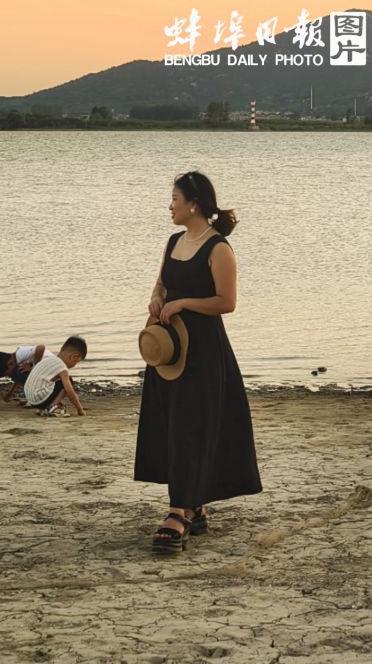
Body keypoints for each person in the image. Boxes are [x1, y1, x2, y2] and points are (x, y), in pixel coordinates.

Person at [134, 170, 261, 552]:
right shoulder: (174, 241)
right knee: (172, 426)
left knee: (192, 427)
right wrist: (157, 299)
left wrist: (185, 303)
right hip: (169, 350)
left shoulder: (218, 248)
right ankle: (195, 505)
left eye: (175, 199)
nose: (170, 206)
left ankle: (179, 511)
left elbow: (227, 302)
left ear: (193, 204)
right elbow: (162, 283)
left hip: (204, 352)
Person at [22, 336, 88, 416]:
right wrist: (80, 410)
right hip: (39, 399)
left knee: (58, 383)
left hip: (31, 399)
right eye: (76, 362)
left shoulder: (48, 359)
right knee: (68, 381)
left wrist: (59, 399)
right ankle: (51, 408)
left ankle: (45, 408)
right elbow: (70, 392)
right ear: (74, 357)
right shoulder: (62, 368)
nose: (74, 365)